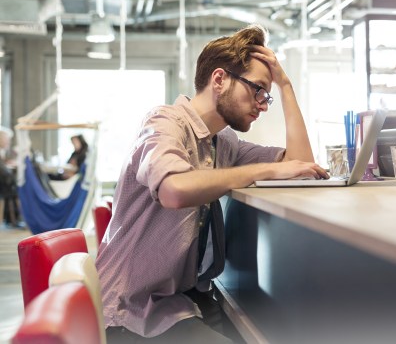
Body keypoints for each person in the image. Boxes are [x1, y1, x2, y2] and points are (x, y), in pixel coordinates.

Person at [95, 24, 329, 343]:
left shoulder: (224, 142)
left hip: (179, 302)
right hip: (129, 313)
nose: (262, 103)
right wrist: (263, 172)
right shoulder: (164, 122)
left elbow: (300, 167)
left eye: (267, 96)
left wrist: (285, 86)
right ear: (219, 79)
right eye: (257, 89)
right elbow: (174, 189)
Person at [0, 126, 22, 228]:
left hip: (4, 181)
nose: (8, 142)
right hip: (3, 183)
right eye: (6, 139)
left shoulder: (4, 151)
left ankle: (13, 219)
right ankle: (14, 220)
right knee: (15, 188)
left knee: (14, 187)